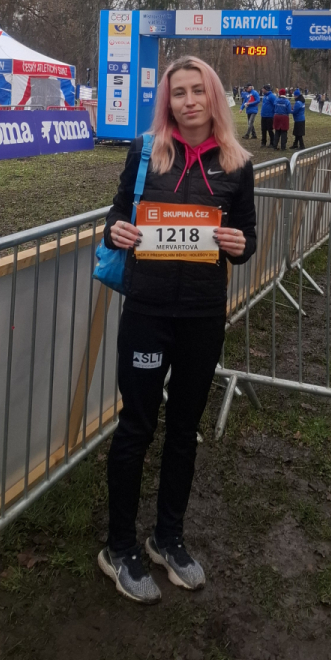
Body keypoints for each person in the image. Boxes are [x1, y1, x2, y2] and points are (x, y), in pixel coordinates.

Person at [99, 55, 257, 603]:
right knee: (137, 427)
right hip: (147, 311)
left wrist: (238, 245)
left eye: (198, 90)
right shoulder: (146, 152)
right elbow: (117, 214)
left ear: (213, 96)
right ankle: (119, 547)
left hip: (202, 316)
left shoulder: (238, 164)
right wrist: (116, 231)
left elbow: (246, 239)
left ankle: (168, 538)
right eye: (179, 92)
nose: (189, 101)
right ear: (167, 101)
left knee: (184, 429)